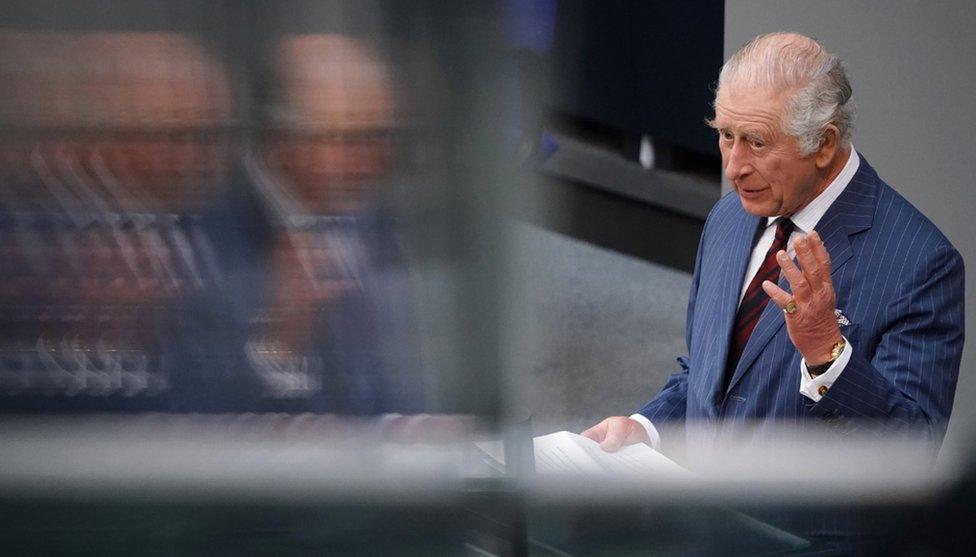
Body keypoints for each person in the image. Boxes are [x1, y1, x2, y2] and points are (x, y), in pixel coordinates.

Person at [583, 32, 963, 459]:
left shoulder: (921, 263)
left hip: (798, 527)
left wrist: (827, 355)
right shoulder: (728, 219)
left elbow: (912, 452)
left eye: (757, 143)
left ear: (824, 143)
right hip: (700, 516)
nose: (733, 167)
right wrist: (645, 427)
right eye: (726, 135)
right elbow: (712, 376)